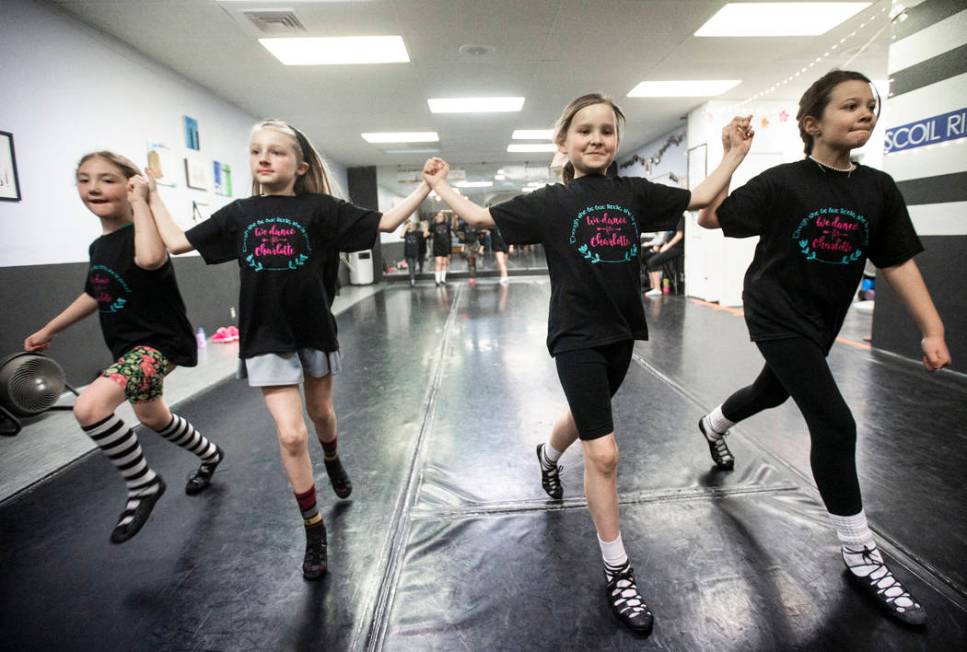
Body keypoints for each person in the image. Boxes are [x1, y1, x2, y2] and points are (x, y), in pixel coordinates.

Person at [421, 93, 752, 634]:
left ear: (615, 141)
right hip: (574, 334)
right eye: (585, 131)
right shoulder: (550, 201)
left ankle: (547, 455)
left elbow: (699, 198)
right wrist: (438, 187)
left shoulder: (635, 194)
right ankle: (619, 572)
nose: (597, 139)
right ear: (564, 143)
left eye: (606, 131)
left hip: (621, 332)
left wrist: (734, 154)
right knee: (603, 453)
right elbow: (482, 216)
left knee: (584, 418)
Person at [695, 70, 950, 626]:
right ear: (812, 123)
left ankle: (713, 423)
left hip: (821, 318)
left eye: (871, 107)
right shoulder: (784, 181)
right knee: (835, 424)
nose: (866, 114)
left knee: (771, 391)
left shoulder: (877, 188)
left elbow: (897, 260)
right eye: (850, 106)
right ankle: (860, 554)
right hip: (774, 309)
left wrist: (932, 328)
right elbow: (712, 216)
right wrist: (734, 156)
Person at [148, 119, 437, 579]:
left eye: (277, 152)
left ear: (300, 166)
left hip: (312, 330)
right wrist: (151, 195)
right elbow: (178, 242)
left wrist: (426, 187)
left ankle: (333, 456)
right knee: (290, 434)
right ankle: (313, 527)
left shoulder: (321, 210)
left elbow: (384, 223)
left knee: (320, 415)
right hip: (264, 335)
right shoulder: (239, 213)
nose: (264, 158)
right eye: (256, 151)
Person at [24, 152, 224, 544]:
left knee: (89, 406)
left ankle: (143, 484)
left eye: (107, 180)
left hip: (158, 346)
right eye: (84, 180)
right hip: (127, 349)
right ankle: (211, 454)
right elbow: (96, 292)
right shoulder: (99, 247)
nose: (94, 188)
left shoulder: (143, 235)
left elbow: (150, 258)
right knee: (152, 417)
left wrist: (142, 201)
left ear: (131, 185)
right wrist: (51, 328)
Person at [642, 215, 684, 296]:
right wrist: (661, 245)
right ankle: (652, 286)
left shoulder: (679, 218)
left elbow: (679, 235)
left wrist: (667, 246)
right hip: (668, 246)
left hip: (677, 247)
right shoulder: (671, 219)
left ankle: (657, 289)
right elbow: (667, 237)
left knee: (653, 262)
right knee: (647, 257)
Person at [431, 210, 452, 286]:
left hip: (446, 246)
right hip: (437, 247)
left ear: (443, 217)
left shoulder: (447, 225)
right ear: (436, 217)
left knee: (444, 263)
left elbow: (449, 237)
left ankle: (443, 280)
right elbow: (428, 232)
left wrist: (450, 250)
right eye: (438, 216)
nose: (440, 217)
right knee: (438, 263)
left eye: (441, 216)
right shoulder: (433, 225)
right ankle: (437, 281)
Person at [403, 220, 422, 287]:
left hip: (415, 252)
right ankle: (412, 280)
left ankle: (412, 277)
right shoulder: (405, 233)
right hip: (408, 253)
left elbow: (423, 234)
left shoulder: (416, 233)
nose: (410, 225)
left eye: (411, 224)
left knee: (413, 266)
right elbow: (401, 235)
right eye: (409, 224)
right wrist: (405, 227)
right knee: (411, 266)